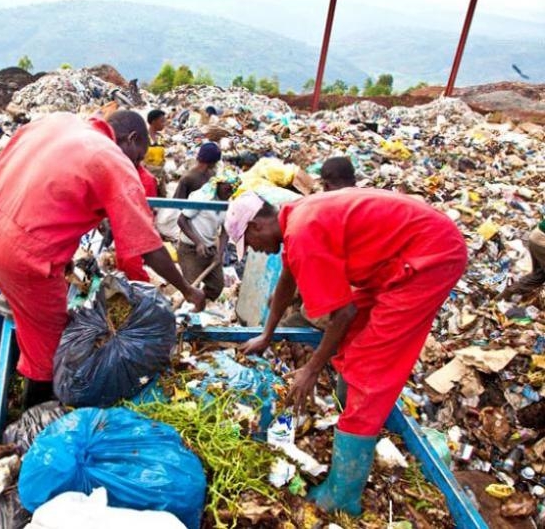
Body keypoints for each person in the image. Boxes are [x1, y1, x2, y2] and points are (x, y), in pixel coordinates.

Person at [224, 188, 467, 515]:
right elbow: (286, 283)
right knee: (353, 340)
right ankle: (346, 409)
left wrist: (310, 370)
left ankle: (343, 495)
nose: (254, 250)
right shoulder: (295, 220)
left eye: (249, 243)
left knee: (372, 366)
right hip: (401, 255)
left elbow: (343, 313)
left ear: (255, 227)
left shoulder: (303, 231)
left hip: (428, 257)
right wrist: (266, 335)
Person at [0, 111, 205, 408]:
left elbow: (40, 191)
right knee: (51, 351)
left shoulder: (57, 122)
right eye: (138, 157)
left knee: (34, 318)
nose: (137, 166)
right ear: (133, 139)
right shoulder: (112, 160)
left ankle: (16, 304)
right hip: (21, 257)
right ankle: (34, 423)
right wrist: (187, 290)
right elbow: (146, 247)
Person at [177, 173, 240, 301]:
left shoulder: (227, 204)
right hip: (190, 249)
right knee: (192, 286)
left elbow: (225, 231)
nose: (229, 193)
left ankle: (202, 307)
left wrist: (220, 253)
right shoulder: (202, 197)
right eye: (227, 189)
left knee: (217, 287)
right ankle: (189, 311)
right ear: (218, 185)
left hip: (210, 249)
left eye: (233, 190)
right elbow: (181, 220)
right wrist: (198, 243)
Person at [115, 164, 159, 282]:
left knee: (132, 266)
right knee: (123, 265)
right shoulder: (120, 172)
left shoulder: (146, 180)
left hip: (135, 229)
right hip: (121, 226)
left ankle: (142, 292)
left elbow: (146, 210)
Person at [498, 217, 545, 301]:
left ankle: (505, 296)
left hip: (537, 236)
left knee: (539, 275)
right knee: (538, 275)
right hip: (542, 239)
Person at [143, 109, 168, 197]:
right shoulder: (143, 137)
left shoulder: (160, 138)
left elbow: (162, 157)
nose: (164, 124)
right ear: (153, 122)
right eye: (162, 121)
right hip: (147, 177)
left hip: (159, 176)